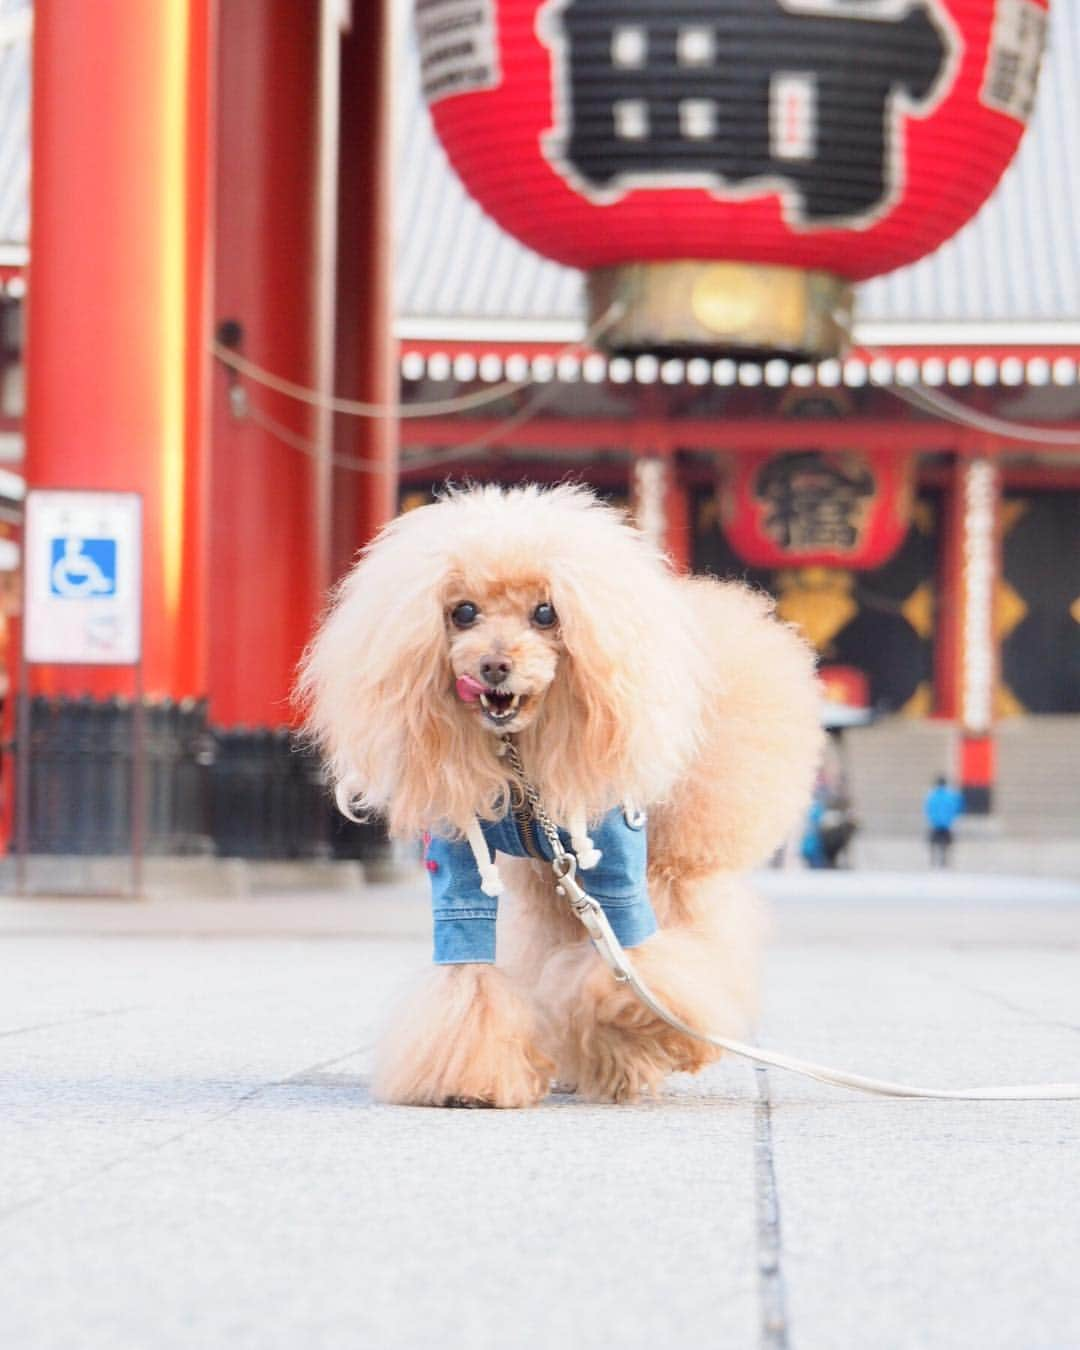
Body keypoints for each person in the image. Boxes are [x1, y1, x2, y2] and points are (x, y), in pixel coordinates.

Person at [924, 774, 963, 868]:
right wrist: (952, 817)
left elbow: (928, 808)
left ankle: (932, 859)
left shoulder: (932, 795)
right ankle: (944, 859)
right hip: (947, 823)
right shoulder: (951, 795)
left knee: (932, 841)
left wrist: (932, 818)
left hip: (935, 823)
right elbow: (956, 807)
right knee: (946, 842)